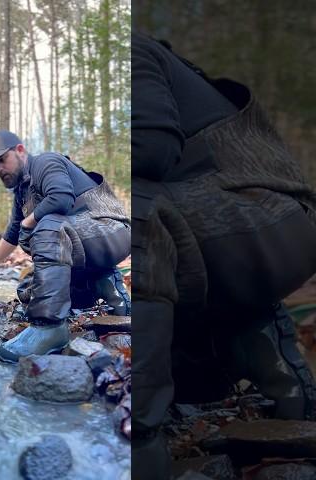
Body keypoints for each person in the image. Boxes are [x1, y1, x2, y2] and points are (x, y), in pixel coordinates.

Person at [131, 32, 316, 479]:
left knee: (130, 206)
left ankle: (136, 441)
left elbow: (151, 152)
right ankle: (283, 391)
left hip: (268, 224)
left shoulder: (129, 49)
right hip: (243, 234)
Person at [0, 130, 131, 363]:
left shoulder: (45, 162)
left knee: (47, 224)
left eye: (1, 160)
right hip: (87, 249)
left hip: (111, 232)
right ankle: (100, 283)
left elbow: (60, 198)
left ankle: (49, 328)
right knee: (30, 290)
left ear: (20, 151)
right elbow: (12, 233)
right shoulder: (22, 192)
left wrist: (29, 223)